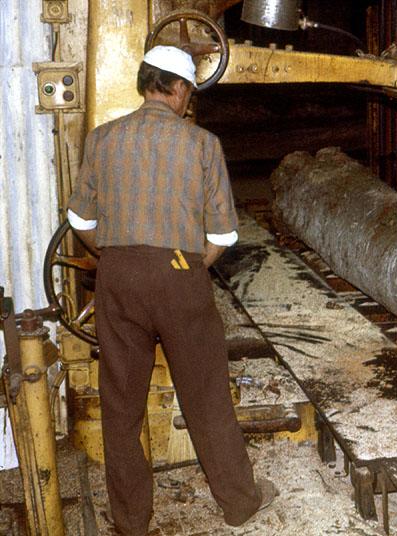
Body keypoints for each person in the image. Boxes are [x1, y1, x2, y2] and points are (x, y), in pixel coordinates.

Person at [66, 45, 276, 535]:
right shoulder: (202, 144)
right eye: (189, 93)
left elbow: (79, 219)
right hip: (179, 275)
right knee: (205, 396)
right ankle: (240, 502)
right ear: (180, 89)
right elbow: (223, 236)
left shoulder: (102, 139)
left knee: (121, 404)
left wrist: (119, 256)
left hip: (117, 277)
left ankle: (131, 521)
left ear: (146, 83)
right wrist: (181, 263)